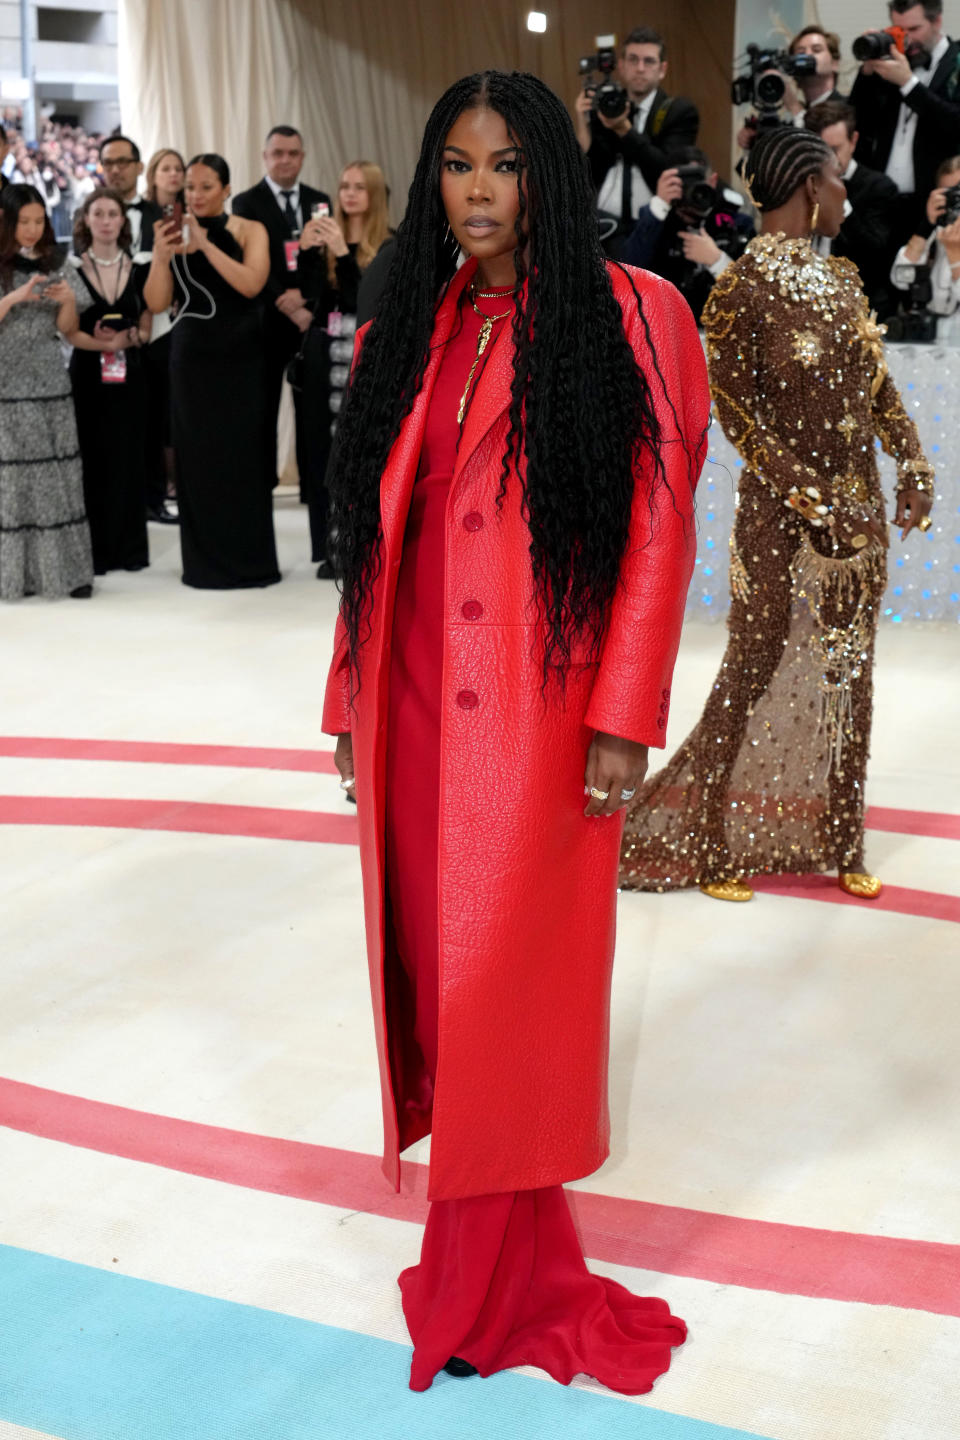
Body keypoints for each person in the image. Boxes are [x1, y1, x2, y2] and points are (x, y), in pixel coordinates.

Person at [324, 69, 708, 1394]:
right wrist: (345, 705)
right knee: (445, 984)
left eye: (504, 165)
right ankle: (503, 1259)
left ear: (546, 172)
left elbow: (660, 530)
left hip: (541, 716)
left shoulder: (634, 315)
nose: (478, 192)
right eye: (455, 166)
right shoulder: (403, 324)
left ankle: (501, 1285)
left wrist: (621, 714)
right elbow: (367, 546)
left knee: (504, 996)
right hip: (416, 698)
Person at [619, 124, 935, 905]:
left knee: (851, 672)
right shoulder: (737, 291)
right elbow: (739, 418)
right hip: (778, 517)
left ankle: (842, 837)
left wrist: (914, 462)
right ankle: (707, 840)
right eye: (834, 181)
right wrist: (809, 497)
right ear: (804, 188)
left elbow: (877, 388)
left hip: (856, 515)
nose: (845, 195)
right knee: (751, 666)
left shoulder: (847, 284)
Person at [143, 153, 279, 589]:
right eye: (189, 188)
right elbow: (157, 303)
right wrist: (162, 257)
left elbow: (252, 283)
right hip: (191, 357)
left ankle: (250, 562)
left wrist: (203, 243)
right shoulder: (169, 230)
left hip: (241, 353)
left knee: (243, 456)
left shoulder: (248, 229)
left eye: (205, 187)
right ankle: (201, 563)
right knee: (197, 458)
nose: (196, 195)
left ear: (226, 189)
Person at [296, 160, 390, 576]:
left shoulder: (388, 245)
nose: (348, 194)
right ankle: (326, 547)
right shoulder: (325, 238)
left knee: (355, 451)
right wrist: (305, 254)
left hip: (361, 355)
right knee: (319, 448)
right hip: (324, 353)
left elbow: (362, 300)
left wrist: (340, 253)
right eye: (344, 186)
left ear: (374, 194)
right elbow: (311, 297)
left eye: (358, 187)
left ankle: (356, 546)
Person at [0, 184, 94, 600]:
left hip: (50, 380)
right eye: (25, 221)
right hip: (6, 384)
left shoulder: (59, 261)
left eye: (39, 221)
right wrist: (17, 296)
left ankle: (67, 574)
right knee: (11, 483)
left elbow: (68, 328)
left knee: (57, 477)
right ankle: (15, 577)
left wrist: (68, 298)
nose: (33, 229)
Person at [231, 126, 331, 489]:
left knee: (311, 407)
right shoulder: (245, 203)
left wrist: (305, 299)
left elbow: (324, 260)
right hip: (266, 319)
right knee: (264, 404)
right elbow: (251, 261)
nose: (285, 160)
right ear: (265, 156)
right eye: (278, 153)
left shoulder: (320, 201)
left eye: (292, 153)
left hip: (309, 321)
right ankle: (263, 482)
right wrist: (286, 303)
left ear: (302, 157)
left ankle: (311, 484)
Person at [66, 188, 150, 576]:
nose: (105, 220)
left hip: (129, 372)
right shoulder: (71, 268)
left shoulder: (141, 266)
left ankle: (131, 548)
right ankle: (97, 551)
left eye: (112, 213)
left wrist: (129, 338)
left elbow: (149, 319)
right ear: (85, 220)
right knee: (94, 458)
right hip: (88, 374)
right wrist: (97, 340)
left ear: (123, 220)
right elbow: (65, 329)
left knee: (129, 457)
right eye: (97, 213)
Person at [573, 27, 699, 256]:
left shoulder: (679, 111)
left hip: (658, 230)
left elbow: (667, 170)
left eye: (648, 61)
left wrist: (624, 130)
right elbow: (588, 169)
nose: (640, 68)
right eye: (633, 59)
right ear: (621, 65)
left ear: (662, 69)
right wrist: (583, 122)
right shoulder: (606, 106)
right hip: (604, 229)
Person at [849, 0, 960, 242]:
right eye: (897, 30)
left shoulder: (957, 60)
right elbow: (856, 121)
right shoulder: (891, 62)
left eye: (913, 29)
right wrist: (867, 72)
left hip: (936, 204)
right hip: (884, 202)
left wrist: (908, 85)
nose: (906, 39)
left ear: (937, 21)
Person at [621, 147, 753, 324]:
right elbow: (626, 277)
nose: (692, 191)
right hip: (667, 331)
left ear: (713, 181)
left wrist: (718, 261)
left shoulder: (737, 224)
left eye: (698, 182)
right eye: (683, 184)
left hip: (723, 334)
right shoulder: (655, 221)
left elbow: (755, 298)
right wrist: (659, 206)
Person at [805, 100, 900, 317]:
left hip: (861, 311)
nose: (828, 159)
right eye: (821, 150)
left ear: (853, 141)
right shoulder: (802, 187)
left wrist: (837, 197)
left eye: (835, 149)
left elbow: (874, 250)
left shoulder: (879, 187)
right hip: (807, 309)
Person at [142, 147, 186, 526]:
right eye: (166, 168)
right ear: (153, 174)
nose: (173, 174)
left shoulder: (192, 215)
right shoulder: (140, 217)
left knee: (178, 414)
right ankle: (156, 492)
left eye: (178, 169)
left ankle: (179, 488)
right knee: (155, 415)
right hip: (150, 325)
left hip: (185, 323)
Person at [890, 155, 960, 339]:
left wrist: (954, 256)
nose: (955, 203)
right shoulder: (935, 231)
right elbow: (900, 278)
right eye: (948, 195)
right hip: (930, 336)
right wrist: (927, 224)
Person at [99, 135, 160, 252]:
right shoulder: (87, 217)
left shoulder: (159, 215)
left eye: (122, 162)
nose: (115, 170)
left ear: (140, 168)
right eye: (108, 163)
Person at [785, 26, 846, 119]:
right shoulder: (792, 120)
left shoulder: (850, 108)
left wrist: (795, 108)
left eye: (816, 50)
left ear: (834, 63)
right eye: (801, 52)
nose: (808, 55)